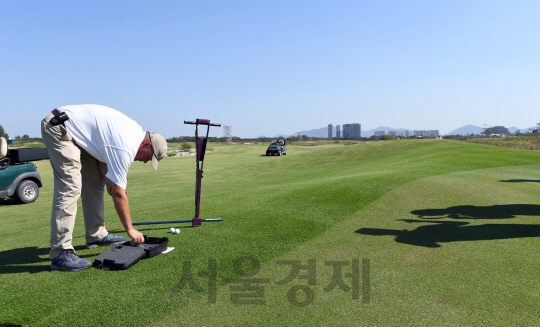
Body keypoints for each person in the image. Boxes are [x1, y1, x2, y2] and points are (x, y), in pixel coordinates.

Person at [41, 104, 168, 272]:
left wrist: (109, 181)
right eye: (149, 157)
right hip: (60, 128)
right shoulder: (126, 146)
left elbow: (101, 152)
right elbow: (118, 194)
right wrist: (130, 229)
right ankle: (60, 253)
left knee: (95, 186)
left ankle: (96, 235)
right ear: (146, 145)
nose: (146, 161)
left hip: (78, 134)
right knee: (69, 188)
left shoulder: (133, 132)